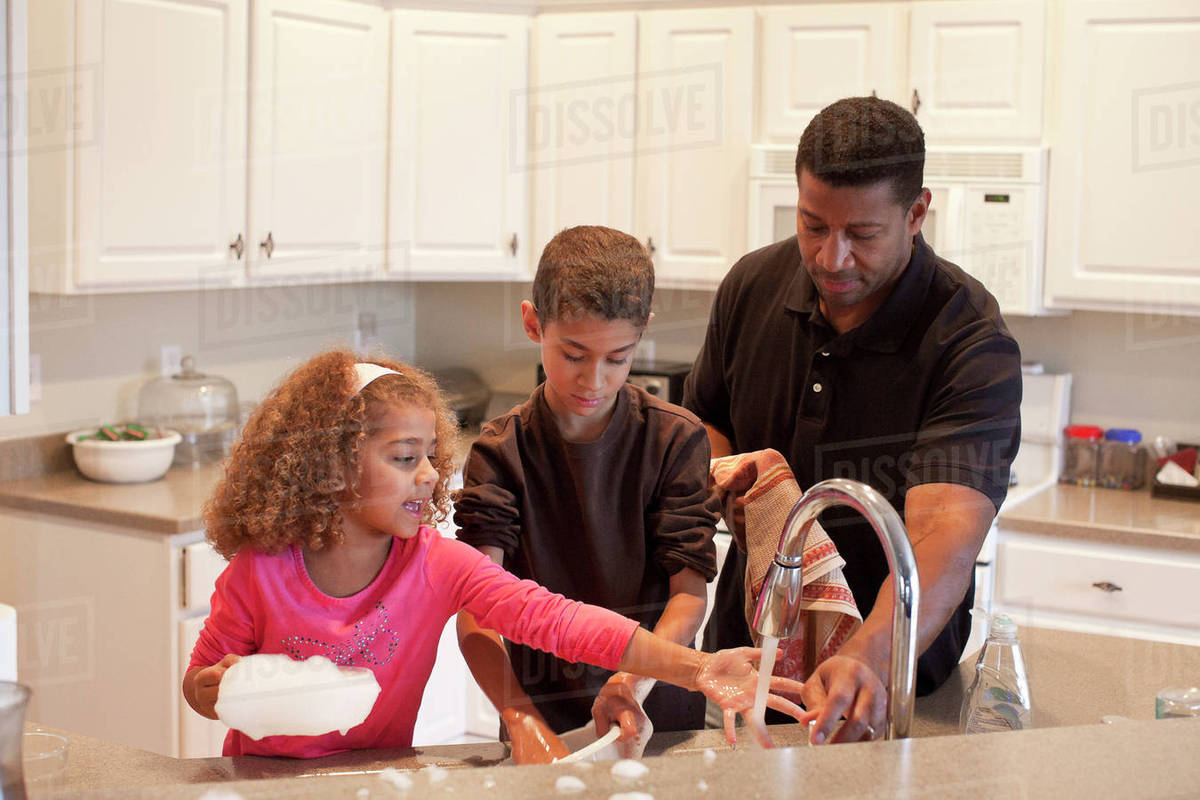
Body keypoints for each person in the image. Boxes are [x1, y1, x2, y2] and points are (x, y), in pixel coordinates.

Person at [182, 350, 805, 759]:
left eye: (431, 455)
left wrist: (695, 668)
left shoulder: (432, 564)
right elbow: (200, 682)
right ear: (331, 466)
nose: (430, 475)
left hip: (378, 779)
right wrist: (211, 692)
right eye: (404, 458)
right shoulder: (258, 574)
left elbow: (557, 620)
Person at [683, 96, 1022, 745]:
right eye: (813, 225)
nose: (831, 257)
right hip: (747, 667)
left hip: (892, 684)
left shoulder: (968, 339)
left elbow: (943, 535)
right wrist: (722, 478)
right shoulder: (752, 286)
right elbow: (705, 424)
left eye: (862, 235)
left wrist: (867, 658)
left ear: (916, 213)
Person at [454, 226, 718, 758]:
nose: (594, 380)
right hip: (541, 717)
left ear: (642, 332)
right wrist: (521, 719)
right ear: (533, 323)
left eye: (617, 358)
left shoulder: (674, 439)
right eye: (574, 355)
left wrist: (631, 679)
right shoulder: (501, 452)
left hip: (658, 714)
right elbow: (476, 611)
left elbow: (688, 594)